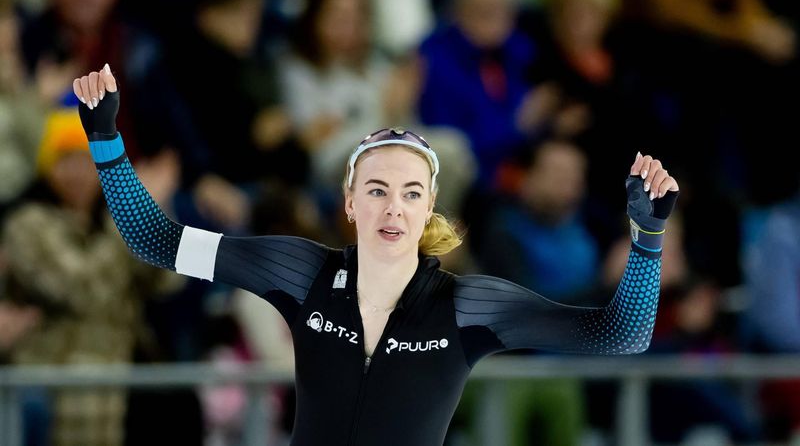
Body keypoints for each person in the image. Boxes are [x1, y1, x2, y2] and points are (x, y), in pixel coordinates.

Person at [73, 64, 679, 446]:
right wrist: (105, 141)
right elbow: (154, 238)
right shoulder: (300, 272)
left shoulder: (468, 305)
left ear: (429, 207)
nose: (394, 208)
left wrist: (647, 239)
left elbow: (621, 335)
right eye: (377, 190)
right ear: (350, 202)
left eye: (411, 194)